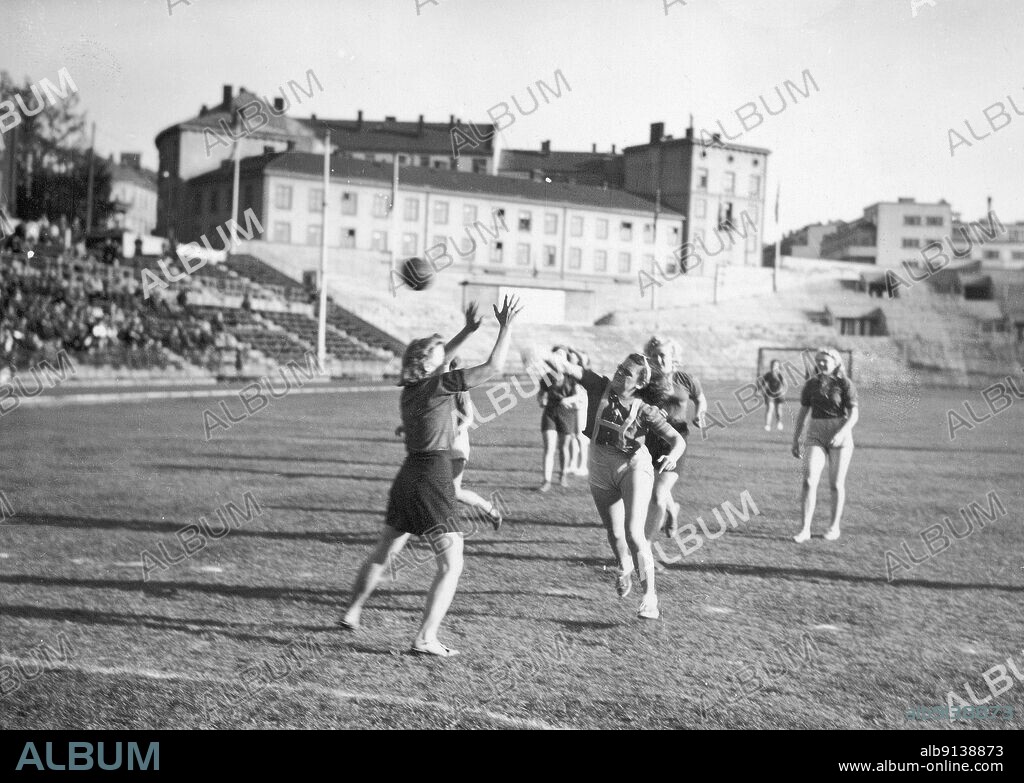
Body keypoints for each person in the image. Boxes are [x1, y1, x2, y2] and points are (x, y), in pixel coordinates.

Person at [340, 296, 522, 656]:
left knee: (383, 551)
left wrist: (467, 331)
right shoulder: (441, 386)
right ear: (429, 362)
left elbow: (436, 360)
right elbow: (494, 366)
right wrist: (506, 327)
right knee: (452, 564)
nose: (449, 355)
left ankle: (352, 611)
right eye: (442, 353)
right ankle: (425, 638)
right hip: (433, 476)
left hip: (407, 474)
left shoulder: (410, 389)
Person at [549, 351, 686, 620]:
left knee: (635, 534)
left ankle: (650, 599)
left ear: (640, 383)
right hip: (599, 464)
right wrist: (548, 357)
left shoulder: (645, 410)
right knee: (614, 534)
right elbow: (572, 369)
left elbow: (677, 440)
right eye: (620, 367)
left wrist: (673, 456)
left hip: (633, 467)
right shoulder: (599, 386)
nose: (618, 373)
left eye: (626, 372)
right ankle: (624, 566)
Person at [641, 336, 707, 541]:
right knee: (658, 487)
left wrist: (699, 414)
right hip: (652, 440)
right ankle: (673, 511)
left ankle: (646, 547)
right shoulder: (646, 382)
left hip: (677, 441)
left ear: (672, 357)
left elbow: (700, 399)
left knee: (658, 493)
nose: (659, 360)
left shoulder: (686, 379)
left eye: (663, 355)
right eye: (654, 356)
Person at [791, 348, 859, 543]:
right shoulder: (811, 384)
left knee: (836, 484)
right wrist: (795, 439)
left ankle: (834, 527)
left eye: (825, 360)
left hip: (840, 436)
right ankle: (804, 529)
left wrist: (842, 432)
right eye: (818, 361)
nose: (820, 364)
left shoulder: (845, 384)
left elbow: (854, 414)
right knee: (809, 480)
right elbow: (803, 413)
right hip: (815, 434)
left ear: (836, 362)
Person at [537, 345, 577, 491]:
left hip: (567, 413)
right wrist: (541, 400)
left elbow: (579, 395)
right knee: (549, 447)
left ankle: (563, 475)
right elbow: (541, 394)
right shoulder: (548, 377)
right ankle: (546, 481)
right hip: (550, 412)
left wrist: (568, 400)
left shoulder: (570, 377)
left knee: (563, 447)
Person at [564, 348, 590, 477]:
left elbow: (581, 395)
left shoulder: (581, 372)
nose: (570, 358)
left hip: (581, 406)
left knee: (580, 436)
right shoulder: (570, 373)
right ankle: (573, 464)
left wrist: (567, 400)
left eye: (572, 357)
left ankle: (583, 466)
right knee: (573, 436)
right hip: (574, 407)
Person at [759, 359, 787, 432]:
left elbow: (785, 385)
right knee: (770, 408)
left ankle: (779, 422)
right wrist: (761, 391)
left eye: (775, 365)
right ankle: (767, 425)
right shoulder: (768, 375)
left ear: (778, 366)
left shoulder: (780, 374)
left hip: (779, 394)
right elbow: (762, 384)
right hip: (769, 394)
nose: (773, 367)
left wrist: (782, 392)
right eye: (772, 365)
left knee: (778, 410)